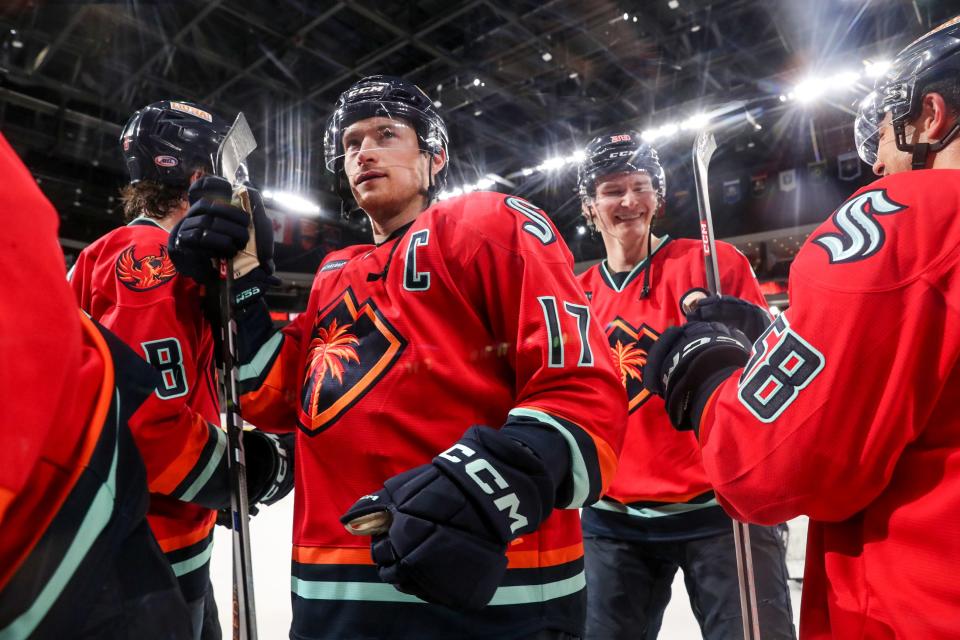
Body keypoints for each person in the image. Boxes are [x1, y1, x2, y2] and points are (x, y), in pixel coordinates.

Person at [168, 75, 628, 640]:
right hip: (331, 594)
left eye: (386, 134)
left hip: (488, 593)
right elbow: (271, 396)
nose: (364, 151)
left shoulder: (490, 222)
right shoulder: (334, 273)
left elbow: (584, 389)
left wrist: (494, 483)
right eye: (353, 142)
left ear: (434, 156)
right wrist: (236, 289)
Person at [642, 17, 960, 639]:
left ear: (929, 116)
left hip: (917, 607)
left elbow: (769, 469)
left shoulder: (908, 214)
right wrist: (774, 344)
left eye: (887, 142)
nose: (877, 167)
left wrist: (714, 381)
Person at [68, 100, 294, 640]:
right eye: (227, 168)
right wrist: (242, 473)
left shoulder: (119, 250)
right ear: (198, 175)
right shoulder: (150, 257)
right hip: (147, 552)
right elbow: (148, 423)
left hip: (148, 540)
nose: (242, 185)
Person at [574, 133, 795, 639]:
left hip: (720, 511)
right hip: (614, 521)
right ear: (590, 205)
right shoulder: (577, 292)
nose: (628, 201)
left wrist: (756, 333)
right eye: (611, 190)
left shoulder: (714, 265)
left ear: (658, 195)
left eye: (640, 186)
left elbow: (776, 373)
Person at [0, 131, 194, 639]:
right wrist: (229, 471)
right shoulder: (153, 253)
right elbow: (151, 410)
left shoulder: (98, 251)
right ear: (198, 176)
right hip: (151, 530)